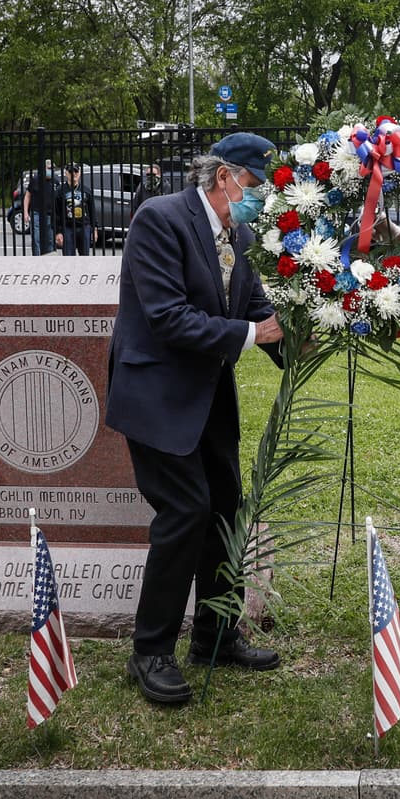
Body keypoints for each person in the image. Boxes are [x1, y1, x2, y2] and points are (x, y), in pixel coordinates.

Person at [105, 132, 285, 706]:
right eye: (256, 187)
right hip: (156, 394)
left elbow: (255, 306)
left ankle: (214, 637)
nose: (259, 200)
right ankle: (150, 650)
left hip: (208, 398)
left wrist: (316, 333)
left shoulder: (243, 233)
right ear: (224, 175)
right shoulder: (159, 219)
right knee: (185, 511)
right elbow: (167, 317)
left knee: (226, 510)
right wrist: (255, 335)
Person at [53, 163, 98, 256]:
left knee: (85, 257)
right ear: (66, 173)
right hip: (67, 228)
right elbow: (55, 213)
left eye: (76, 171)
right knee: (68, 257)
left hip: (84, 227)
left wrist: (94, 229)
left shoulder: (86, 190)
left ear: (80, 173)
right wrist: (58, 232)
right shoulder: (60, 191)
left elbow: (92, 211)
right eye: (70, 171)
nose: (74, 174)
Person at [23, 159, 56, 255]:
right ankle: (37, 260)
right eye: (49, 168)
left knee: (50, 240)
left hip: (50, 214)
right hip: (36, 213)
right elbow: (27, 196)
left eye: (53, 169)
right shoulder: (36, 179)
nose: (51, 171)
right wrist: (25, 212)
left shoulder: (55, 180)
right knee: (36, 239)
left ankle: (50, 260)